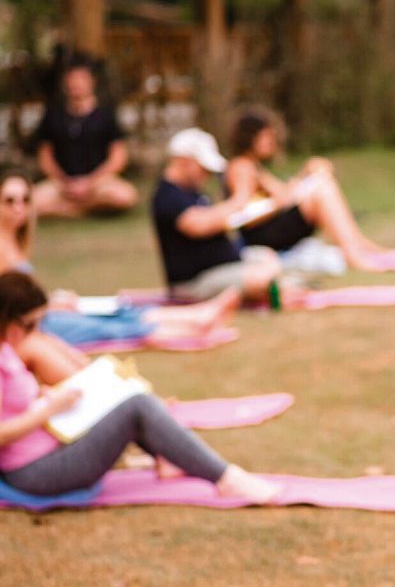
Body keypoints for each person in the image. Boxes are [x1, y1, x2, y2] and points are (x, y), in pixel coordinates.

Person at [0, 271, 279, 501]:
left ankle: (172, 456)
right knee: (136, 406)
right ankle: (226, 478)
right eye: (32, 326)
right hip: (35, 472)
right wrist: (48, 410)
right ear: (12, 324)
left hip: (52, 444)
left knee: (122, 395)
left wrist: (45, 398)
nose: (37, 333)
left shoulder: (9, 351)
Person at [0, 172, 239, 385]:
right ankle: (194, 322)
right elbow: (8, 305)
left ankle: (196, 316)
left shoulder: (15, 242)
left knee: (117, 311)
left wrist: (53, 300)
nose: (18, 207)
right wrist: (50, 304)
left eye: (25, 200)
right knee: (109, 327)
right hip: (38, 324)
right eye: (9, 201)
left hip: (43, 316)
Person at [224, 109, 385, 271]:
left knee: (322, 182)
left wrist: (306, 173)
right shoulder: (241, 167)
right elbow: (241, 211)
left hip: (273, 227)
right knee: (322, 190)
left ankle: (358, 244)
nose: (272, 142)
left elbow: (284, 193)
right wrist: (278, 204)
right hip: (261, 237)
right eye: (266, 137)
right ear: (250, 138)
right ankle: (354, 254)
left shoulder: (253, 166)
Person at [152, 128, 282, 301]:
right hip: (197, 281)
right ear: (183, 161)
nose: (206, 175)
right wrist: (238, 201)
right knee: (261, 277)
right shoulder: (168, 197)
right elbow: (198, 225)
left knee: (265, 256)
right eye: (203, 168)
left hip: (224, 267)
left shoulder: (194, 193)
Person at [33, 60, 138, 217]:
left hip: (99, 183)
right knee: (30, 201)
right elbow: (45, 156)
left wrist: (90, 183)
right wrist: (64, 182)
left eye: (81, 79)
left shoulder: (106, 115)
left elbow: (119, 157)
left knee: (126, 196)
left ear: (91, 82)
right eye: (72, 79)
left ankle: (68, 210)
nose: (76, 84)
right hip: (61, 184)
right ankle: (81, 210)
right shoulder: (53, 115)